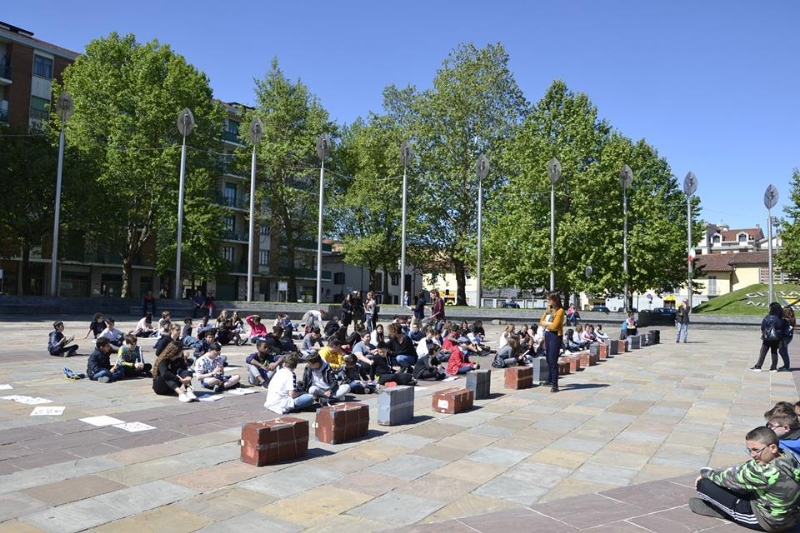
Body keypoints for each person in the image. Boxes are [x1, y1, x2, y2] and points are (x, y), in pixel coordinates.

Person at [691, 426, 800, 531]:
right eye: (749, 450)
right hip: (792, 517)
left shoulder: (765, 472)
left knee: (705, 484)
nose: (752, 455)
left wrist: (705, 473)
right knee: (741, 483)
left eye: (756, 450)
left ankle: (726, 512)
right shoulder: (790, 457)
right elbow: (745, 471)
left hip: (768, 521)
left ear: (772, 448)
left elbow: (728, 478)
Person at [540, 293, 565, 393]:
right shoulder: (548, 310)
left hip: (555, 336)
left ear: (554, 300)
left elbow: (555, 326)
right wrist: (547, 324)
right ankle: (550, 380)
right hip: (548, 335)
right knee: (548, 359)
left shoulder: (560, 311)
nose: (547, 301)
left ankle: (555, 385)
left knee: (553, 360)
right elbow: (541, 321)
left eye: (549, 299)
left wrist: (546, 325)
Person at [751, 302, 787, 372]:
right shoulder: (781, 319)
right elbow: (783, 328)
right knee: (774, 352)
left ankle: (758, 366)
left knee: (763, 351)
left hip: (767, 337)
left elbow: (762, 328)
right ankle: (773, 367)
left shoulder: (767, 317)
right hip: (777, 338)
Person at [779, 306, 795, 371]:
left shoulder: (786, 320)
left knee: (783, 351)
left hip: (785, 337)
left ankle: (786, 366)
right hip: (788, 337)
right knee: (782, 351)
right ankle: (786, 365)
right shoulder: (792, 318)